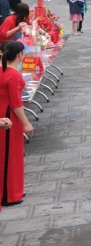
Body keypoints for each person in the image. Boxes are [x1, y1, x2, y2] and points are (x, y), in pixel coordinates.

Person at [0, 40, 33, 207]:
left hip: (3, 114)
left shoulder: (2, 71)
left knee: (9, 154)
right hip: (10, 117)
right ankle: (9, 193)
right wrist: (26, 123)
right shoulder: (13, 75)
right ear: (20, 55)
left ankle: (13, 190)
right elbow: (16, 103)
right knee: (10, 155)